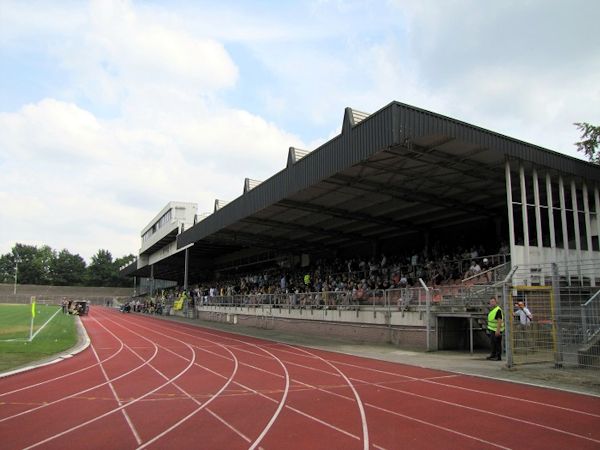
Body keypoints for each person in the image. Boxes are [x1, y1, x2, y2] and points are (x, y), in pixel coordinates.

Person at [487, 297, 504, 361]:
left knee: (497, 343)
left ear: (496, 302)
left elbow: (499, 320)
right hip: (492, 329)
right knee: (493, 343)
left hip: (496, 330)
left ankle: (498, 356)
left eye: (493, 301)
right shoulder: (492, 310)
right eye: (491, 302)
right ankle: (493, 355)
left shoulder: (498, 310)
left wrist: (498, 330)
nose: (492, 303)